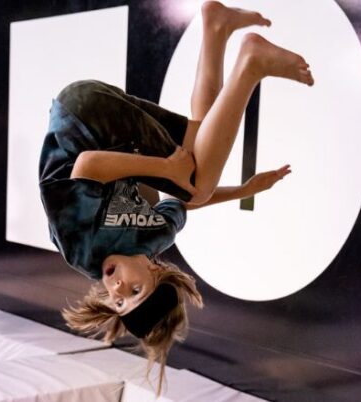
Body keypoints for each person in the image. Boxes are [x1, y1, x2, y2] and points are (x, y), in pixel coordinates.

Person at [39, 1, 313, 392]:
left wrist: (167, 169)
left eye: (119, 302)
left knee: (196, 175)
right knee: (201, 141)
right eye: (135, 292)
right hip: (101, 120)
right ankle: (216, 29)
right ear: (154, 271)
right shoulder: (156, 236)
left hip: (81, 119)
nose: (118, 290)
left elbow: (87, 164)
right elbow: (189, 202)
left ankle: (250, 63)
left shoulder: (82, 248)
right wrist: (244, 190)